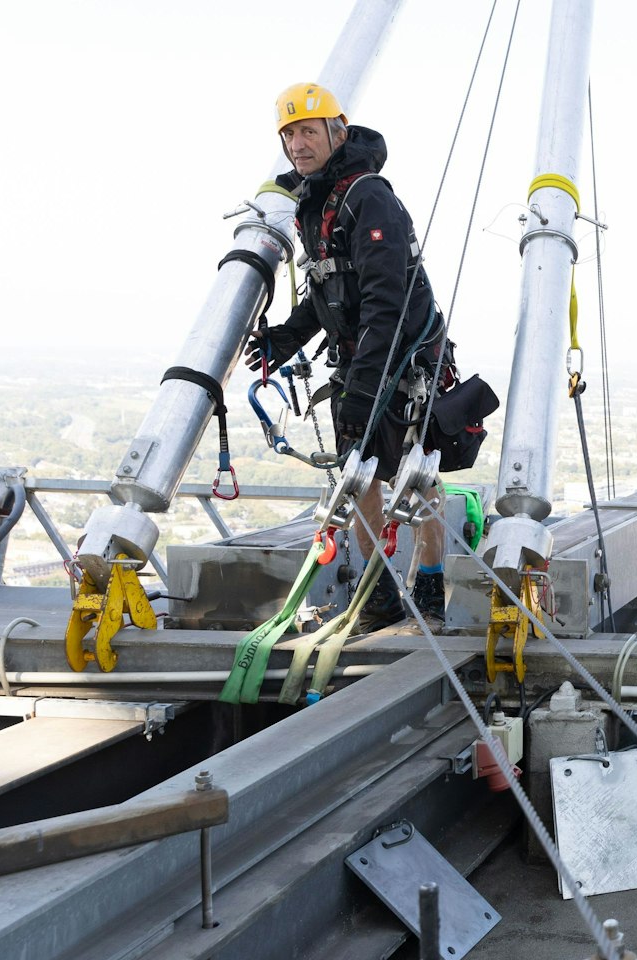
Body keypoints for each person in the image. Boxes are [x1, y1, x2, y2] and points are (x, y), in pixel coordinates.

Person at [246, 82, 451, 631]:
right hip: (362, 360)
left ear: (337, 132)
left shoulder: (368, 197)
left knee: (415, 473)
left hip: (403, 360)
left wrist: (364, 387)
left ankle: (430, 591)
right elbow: (328, 286)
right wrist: (287, 337)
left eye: (308, 132)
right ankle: (381, 597)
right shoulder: (315, 202)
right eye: (289, 135)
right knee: (358, 479)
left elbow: (387, 302)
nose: (297, 145)